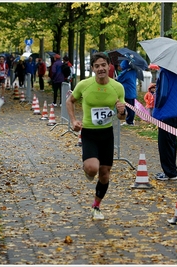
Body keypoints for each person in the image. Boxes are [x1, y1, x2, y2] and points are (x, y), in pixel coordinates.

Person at [66, 52, 126, 220]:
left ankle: (96, 206)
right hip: (90, 133)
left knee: (105, 173)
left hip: (107, 133)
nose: (101, 69)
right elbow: (70, 101)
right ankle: (88, 169)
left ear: (109, 66)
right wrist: (73, 120)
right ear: (92, 68)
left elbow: (122, 117)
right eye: (97, 66)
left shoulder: (117, 87)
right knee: (93, 168)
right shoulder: (84, 85)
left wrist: (122, 112)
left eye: (103, 65)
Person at [154, 67, 177, 181]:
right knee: (172, 141)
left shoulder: (164, 72)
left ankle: (169, 172)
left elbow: (162, 94)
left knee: (164, 143)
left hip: (165, 112)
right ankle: (172, 169)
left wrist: (156, 104)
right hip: (175, 110)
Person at [116, 60, 137, 126]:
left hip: (127, 92)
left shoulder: (125, 73)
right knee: (132, 107)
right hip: (132, 91)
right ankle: (130, 120)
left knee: (129, 107)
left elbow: (118, 79)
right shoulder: (133, 71)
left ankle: (129, 121)